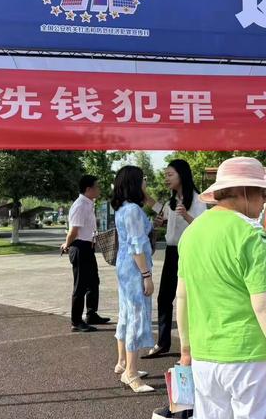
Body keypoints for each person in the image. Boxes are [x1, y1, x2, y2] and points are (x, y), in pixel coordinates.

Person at [171, 157, 266, 419]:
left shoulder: (192, 232)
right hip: (250, 356)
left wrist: (186, 352)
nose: (263, 203)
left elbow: (182, 296)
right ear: (247, 192)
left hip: (204, 356)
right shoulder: (252, 234)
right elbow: (265, 305)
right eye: (262, 195)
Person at [145, 159, 206, 359]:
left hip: (189, 252)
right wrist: (160, 222)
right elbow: (156, 207)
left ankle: (193, 344)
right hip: (172, 252)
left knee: (188, 299)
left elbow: (204, 228)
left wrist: (187, 215)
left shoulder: (198, 200)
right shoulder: (171, 201)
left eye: (170, 174)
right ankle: (163, 342)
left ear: (182, 175)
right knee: (165, 298)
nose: (166, 179)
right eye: (165, 175)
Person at [111, 166, 155, 393]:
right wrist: (147, 275)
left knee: (126, 315)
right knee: (136, 317)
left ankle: (123, 363)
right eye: (143, 180)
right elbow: (138, 246)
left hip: (124, 267)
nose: (146, 183)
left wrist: (149, 202)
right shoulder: (133, 211)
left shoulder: (123, 209)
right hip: (135, 268)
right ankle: (131, 373)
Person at [61, 175, 110, 333]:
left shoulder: (88, 203)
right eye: (97, 186)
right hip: (80, 247)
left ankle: (91, 314)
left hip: (88, 247)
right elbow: (73, 231)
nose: (99, 189)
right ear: (88, 189)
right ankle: (76, 321)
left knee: (93, 281)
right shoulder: (80, 205)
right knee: (80, 286)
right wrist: (66, 245)